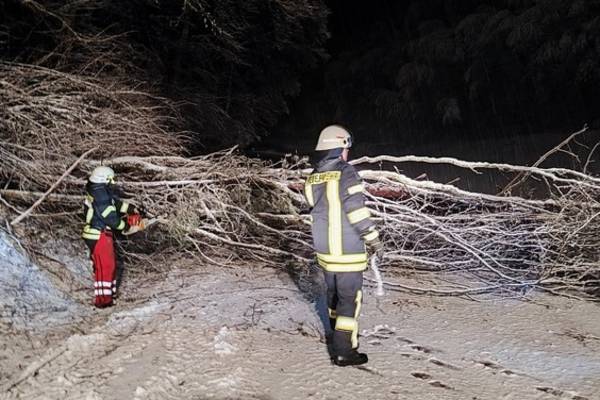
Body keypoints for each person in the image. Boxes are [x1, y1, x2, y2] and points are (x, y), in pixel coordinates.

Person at [304, 125, 383, 366]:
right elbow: (356, 210)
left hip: (325, 251)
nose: (347, 153)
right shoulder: (346, 172)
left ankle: (336, 334)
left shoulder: (313, 176)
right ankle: (344, 351)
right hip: (347, 251)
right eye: (346, 148)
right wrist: (372, 237)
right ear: (338, 148)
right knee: (349, 301)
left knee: (333, 296)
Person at [82, 166, 146, 308]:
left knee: (109, 266)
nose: (112, 182)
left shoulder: (99, 191)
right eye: (110, 179)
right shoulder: (100, 194)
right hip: (98, 233)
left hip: (101, 233)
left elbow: (114, 204)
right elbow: (110, 218)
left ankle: (109, 296)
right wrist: (126, 227)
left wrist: (130, 209)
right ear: (103, 179)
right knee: (104, 267)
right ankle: (103, 300)